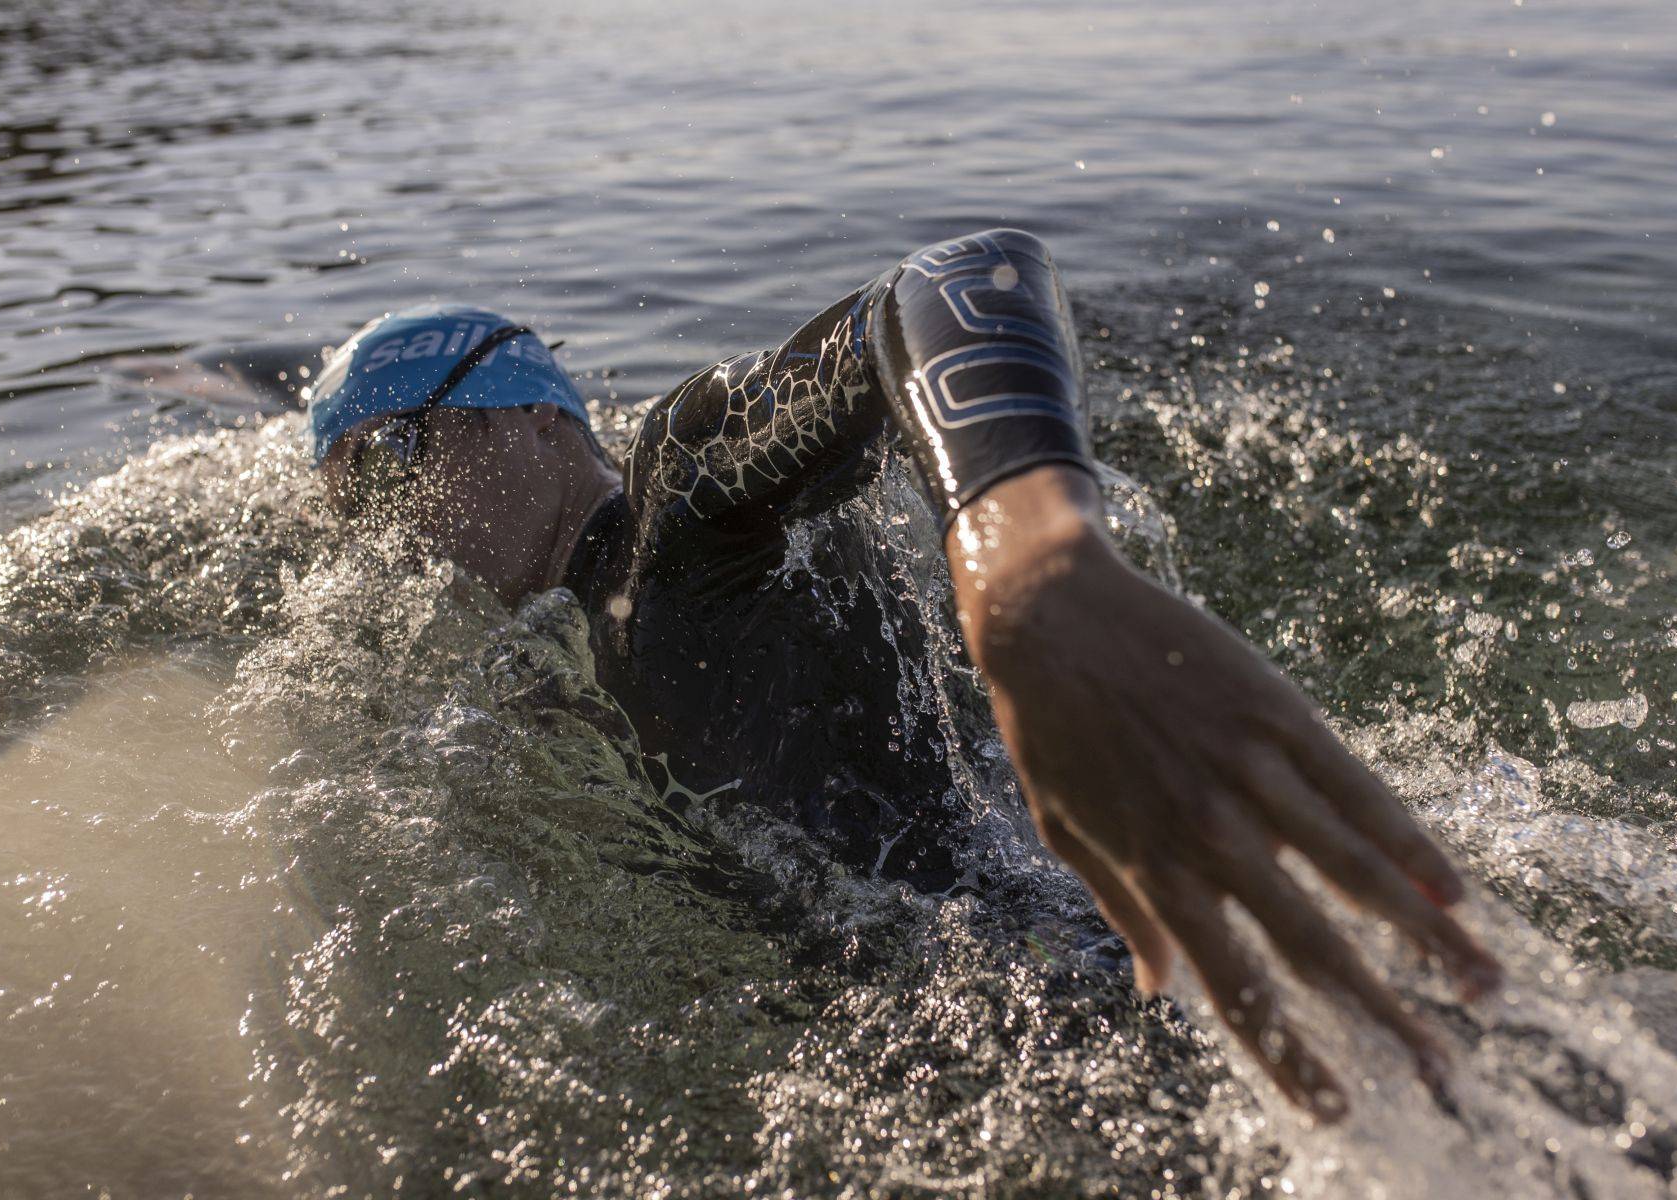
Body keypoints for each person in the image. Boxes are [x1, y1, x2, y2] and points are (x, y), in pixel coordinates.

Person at [302, 227, 1500, 1120]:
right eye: (341, 504)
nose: (378, 525)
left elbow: (948, 285)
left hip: (1073, 990)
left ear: (531, 416)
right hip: (940, 1041)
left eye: (390, 463)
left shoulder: (683, 512)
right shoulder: (560, 649)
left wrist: (1023, 552)